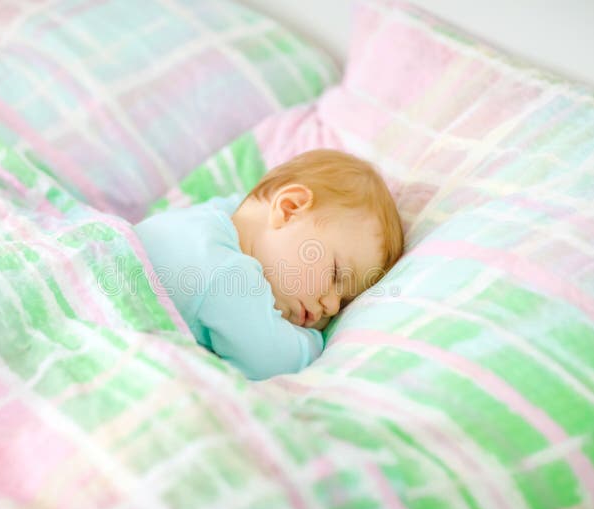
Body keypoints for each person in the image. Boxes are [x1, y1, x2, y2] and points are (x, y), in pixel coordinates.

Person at [134, 149, 403, 380]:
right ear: (288, 209)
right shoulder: (225, 271)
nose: (332, 306)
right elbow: (274, 361)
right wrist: (315, 342)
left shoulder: (217, 218)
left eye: (343, 302)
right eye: (335, 274)